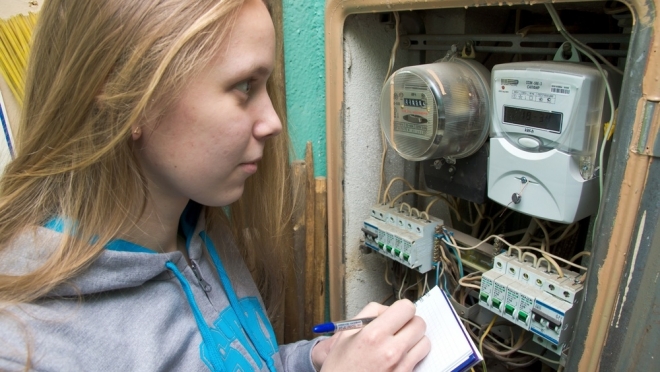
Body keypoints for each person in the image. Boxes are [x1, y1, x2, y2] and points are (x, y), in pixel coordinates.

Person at [0, 0, 430, 371]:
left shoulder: (198, 230)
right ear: (124, 93)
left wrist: (316, 358)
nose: (274, 122)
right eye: (244, 87)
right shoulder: (29, 342)